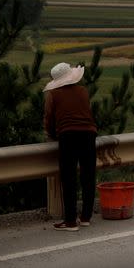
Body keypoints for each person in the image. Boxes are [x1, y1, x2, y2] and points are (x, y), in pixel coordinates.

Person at [43, 62, 97, 232]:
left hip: (68, 136)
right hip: (88, 134)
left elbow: (49, 119)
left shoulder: (53, 95)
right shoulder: (83, 91)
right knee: (88, 175)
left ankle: (70, 221)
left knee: (69, 178)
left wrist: (52, 135)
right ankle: (86, 217)